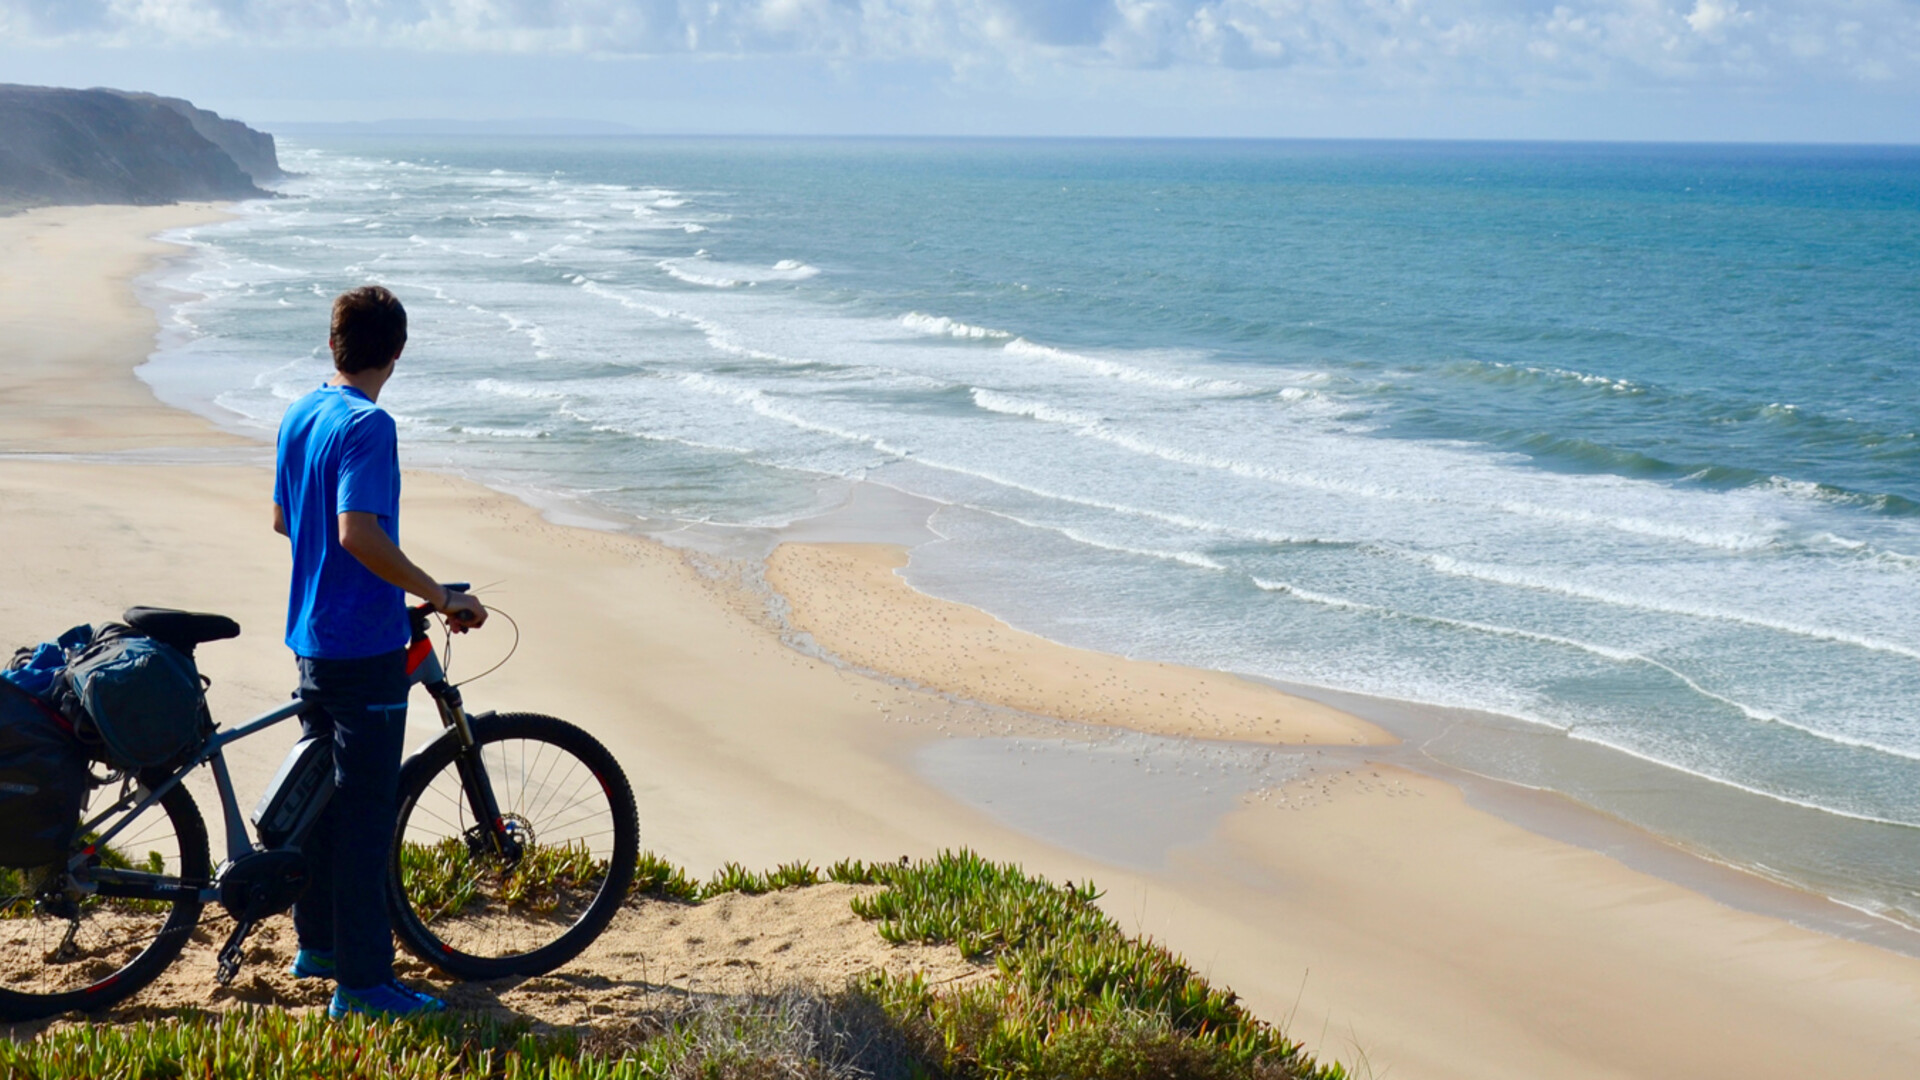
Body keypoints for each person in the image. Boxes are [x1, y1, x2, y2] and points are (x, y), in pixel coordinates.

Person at [271, 284, 487, 1019]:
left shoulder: (302, 412)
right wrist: (436, 591)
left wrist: (378, 585)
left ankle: (319, 945)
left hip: (310, 636)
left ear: (335, 345)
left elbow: (284, 520)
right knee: (366, 818)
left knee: (322, 805)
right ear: (396, 352)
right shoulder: (370, 425)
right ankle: (361, 986)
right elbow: (357, 533)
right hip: (363, 647)